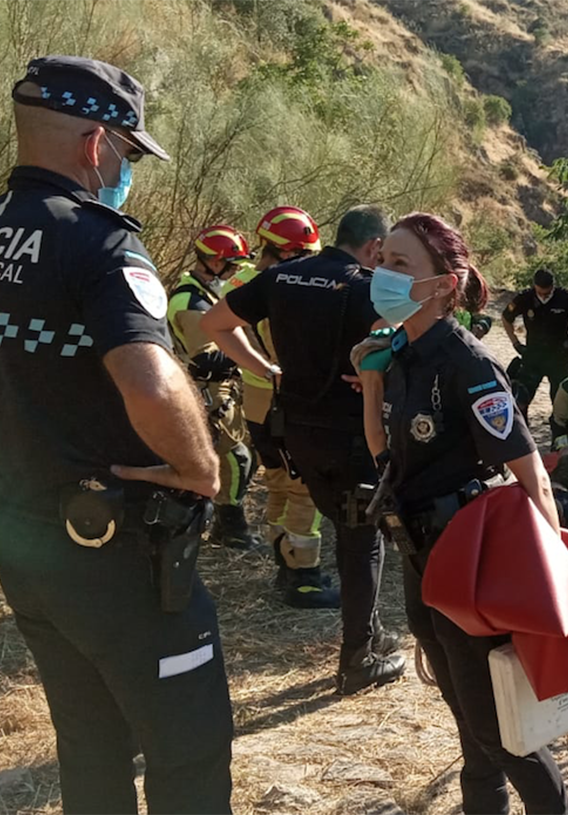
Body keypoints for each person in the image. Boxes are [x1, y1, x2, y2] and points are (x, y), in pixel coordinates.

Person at [0, 56, 233, 814]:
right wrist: (200, 468)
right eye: (127, 151)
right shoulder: (96, 241)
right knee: (187, 747)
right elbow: (150, 380)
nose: (126, 169)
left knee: (88, 744)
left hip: (25, 547)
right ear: (97, 145)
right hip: (119, 551)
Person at [362, 212, 568, 815]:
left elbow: (533, 477)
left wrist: (549, 588)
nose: (383, 274)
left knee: (500, 731)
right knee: (464, 712)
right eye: (382, 260)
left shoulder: (467, 364)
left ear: (444, 286)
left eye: (401, 265)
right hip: (418, 552)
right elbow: (387, 461)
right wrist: (370, 381)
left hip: (470, 561)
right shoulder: (399, 348)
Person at [203, 205, 405, 694]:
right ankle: (358, 657)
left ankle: (371, 631)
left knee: (340, 525)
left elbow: (215, 321)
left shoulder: (283, 277)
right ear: (374, 247)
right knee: (362, 542)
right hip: (353, 433)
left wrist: (266, 368)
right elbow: (410, 343)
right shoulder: (366, 286)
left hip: (296, 432)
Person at [222, 206, 339, 609]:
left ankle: (283, 564)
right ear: (293, 253)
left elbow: (220, 326)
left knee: (276, 485)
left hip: (256, 406)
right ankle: (304, 578)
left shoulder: (242, 280)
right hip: (287, 404)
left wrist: (259, 369)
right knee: (305, 490)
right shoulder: (285, 285)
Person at [168, 225, 262, 550]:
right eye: (232, 264)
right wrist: (251, 355)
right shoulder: (190, 301)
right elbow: (206, 358)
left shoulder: (205, 292)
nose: (236, 270)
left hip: (223, 387)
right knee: (235, 458)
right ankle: (231, 526)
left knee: (247, 454)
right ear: (214, 262)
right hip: (207, 389)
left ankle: (224, 521)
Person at [500, 268, 568, 416]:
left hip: (559, 355)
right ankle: (522, 434)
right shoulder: (525, 298)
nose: (543, 296)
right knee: (521, 399)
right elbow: (506, 318)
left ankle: (559, 436)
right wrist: (516, 343)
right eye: (540, 292)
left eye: (547, 292)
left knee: (560, 403)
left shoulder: (564, 297)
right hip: (533, 355)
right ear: (534, 286)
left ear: (553, 286)